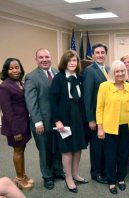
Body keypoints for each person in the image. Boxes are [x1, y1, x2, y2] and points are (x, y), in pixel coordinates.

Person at [24, 48, 65, 190]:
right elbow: (31, 102)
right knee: (45, 150)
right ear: (36, 60)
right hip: (42, 122)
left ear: (51, 58)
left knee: (57, 148)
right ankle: (47, 176)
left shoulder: (57, 73)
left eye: (47, 56)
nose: (44, 59)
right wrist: (37, 121)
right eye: (40, 57)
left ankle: (58, 170)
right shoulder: (31, 77)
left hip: (58, 121)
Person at [50, 50, 88, 193]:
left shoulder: (80, 77)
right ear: (64, 63)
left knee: (77, 148)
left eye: (75, 60)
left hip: (78, 116)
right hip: (64, 117)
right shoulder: (58, 79)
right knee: (66, 149)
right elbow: (52, 102)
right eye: (69, 60)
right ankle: (68, 178)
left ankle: (75, 173)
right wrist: (57, 121)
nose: (72, 63)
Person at [96, 60, 129, 195]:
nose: (120, 73)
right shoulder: (104, 86)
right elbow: (99, 108)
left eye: (123, 71)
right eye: (117, 71)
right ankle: (111, 181)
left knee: (123, 154)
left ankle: (121, 178)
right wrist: (100, 127)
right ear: (112, 73)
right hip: (109, 127)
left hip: (126, 127)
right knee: (110, 155)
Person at [0, 58, 33, 191]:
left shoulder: (20, 82)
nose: (15, 70)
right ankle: (19, 178)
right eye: (11, 68)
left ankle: (22, 175)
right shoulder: (4, 86)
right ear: (6, 71)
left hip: (23, 122)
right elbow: (7, 111)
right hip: (15, 126)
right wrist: (16, 131)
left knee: (22, 149)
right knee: (18, 150)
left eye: (17, 67)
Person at [83, 43, 109, 184]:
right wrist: (91, 119)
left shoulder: (109, 69)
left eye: (102, 52)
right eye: (97, 52)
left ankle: (105, 170)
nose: (100, 55)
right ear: (92, 55)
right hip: (95, 117)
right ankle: (96, 173)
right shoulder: (89, 70)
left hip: (108, 116)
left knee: (105, 145)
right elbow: (87, 97)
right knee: (97, 147)